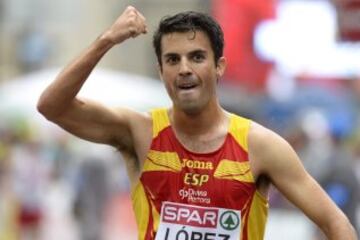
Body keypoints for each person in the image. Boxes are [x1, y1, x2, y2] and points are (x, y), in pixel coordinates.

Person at [37, 6, 357, 240]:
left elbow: (337, 224)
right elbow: (52, 105)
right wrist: (106, 39)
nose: (185, 69)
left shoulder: (261, 146)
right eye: (173, 60)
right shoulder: (139, 131)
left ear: (219, 67)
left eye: (197, 57)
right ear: (162, 72)